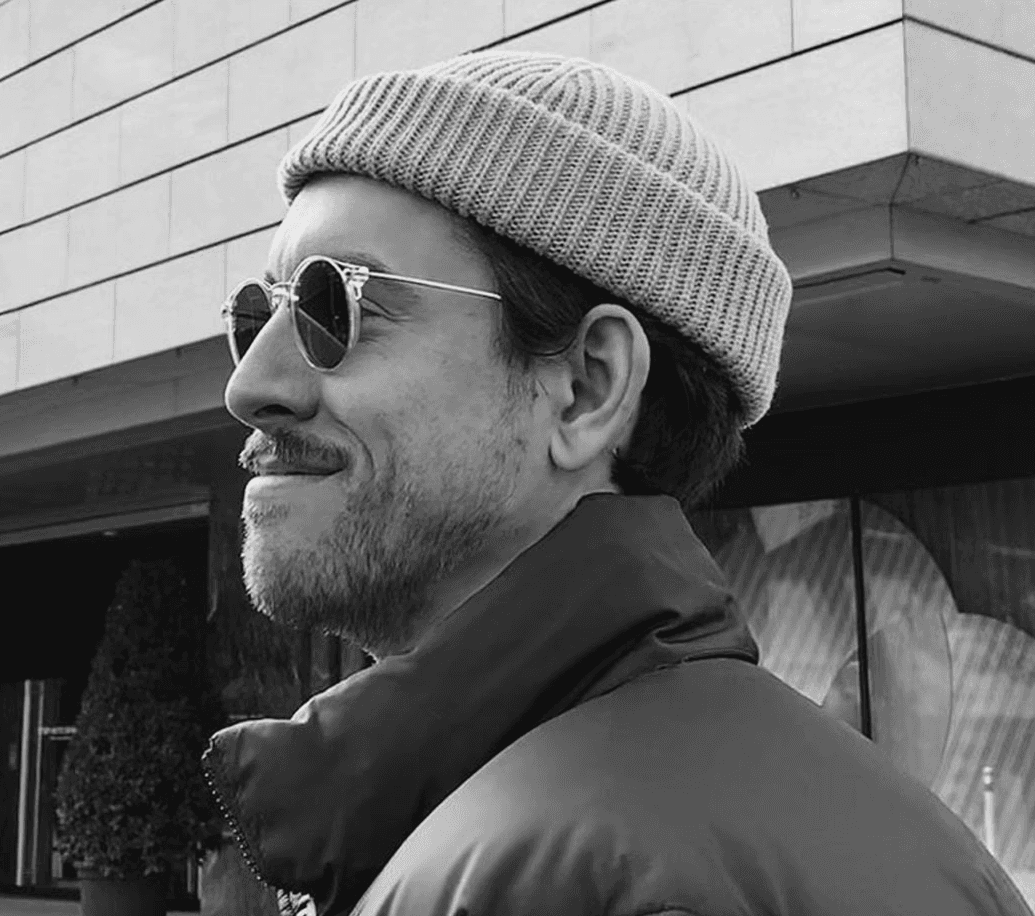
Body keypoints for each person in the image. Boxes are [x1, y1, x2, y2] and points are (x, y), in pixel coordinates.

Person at [202, 51, 1034, 916]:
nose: (249, 386)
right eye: (260, 314)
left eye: (335, 306)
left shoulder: (627, 885)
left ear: (588, 387)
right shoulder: (513, 828)